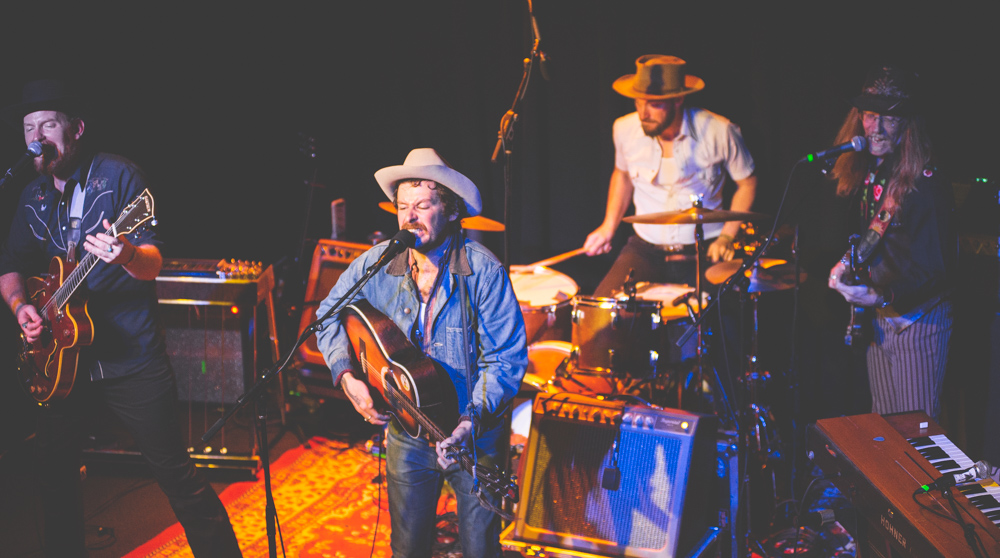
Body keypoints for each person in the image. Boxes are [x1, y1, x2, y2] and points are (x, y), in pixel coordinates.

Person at [0, 79, 242, 557]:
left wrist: (125, 252)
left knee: (174, 472)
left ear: (77, 129)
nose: (37, 135)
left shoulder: (119, 177)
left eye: (48, 123)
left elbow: (152, 263)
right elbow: (10, 264)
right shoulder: (31, 196)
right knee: (54, 478)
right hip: (62, 363)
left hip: (131, 358)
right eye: (29, 126)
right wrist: (21, 307)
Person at [315, 148, 527, 558]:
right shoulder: (379, 263)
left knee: (480, 548)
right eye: (403, 207)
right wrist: (347, 376)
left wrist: (470, 421)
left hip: (474, 435)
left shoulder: (483, 271)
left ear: (449, 211)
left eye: (423, 206)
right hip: (408, 433)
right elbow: (326, 314)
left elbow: (506, 359)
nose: (410, 217)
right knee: (407, 547)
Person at [827, 65, 955, 421]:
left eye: (889, 118)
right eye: (869, 115)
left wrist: (881, 296)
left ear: (907, 124)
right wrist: (846, 264)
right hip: (882, 319)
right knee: (882, 430)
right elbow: (876, 236)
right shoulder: (877, 170)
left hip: (918, 320)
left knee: (916, 434)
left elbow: (935, 270)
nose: (876, 128)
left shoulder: (926, 181)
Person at [584, 55, 758, 296]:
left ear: (678, 100)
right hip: (646, 248)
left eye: (654, 104)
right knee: (604, 313)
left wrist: (727, 237)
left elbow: (747, 182)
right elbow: (622, 175)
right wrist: (608, 226)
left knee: (715, 319)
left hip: (703, 248)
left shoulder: (720, 131)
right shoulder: (624, 128)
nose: (643, 113)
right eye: (638, 102)